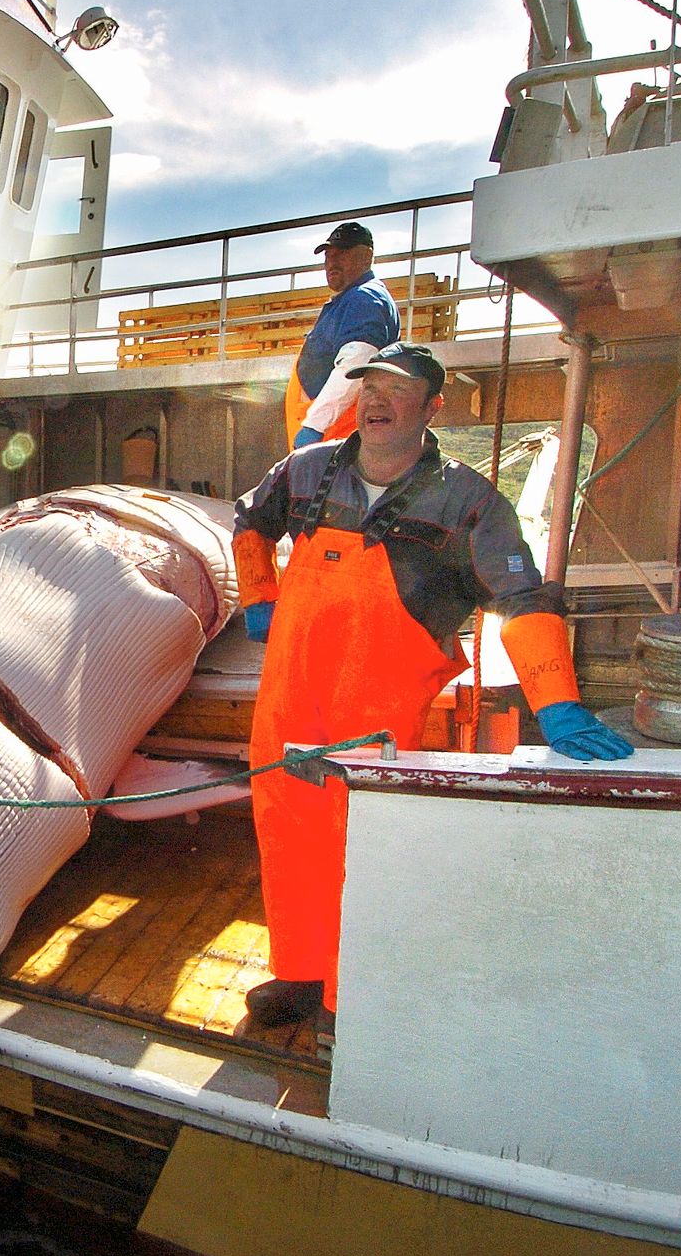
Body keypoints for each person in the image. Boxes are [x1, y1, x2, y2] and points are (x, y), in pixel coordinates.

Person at [233, 342, 631, 1033]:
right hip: (289, 699)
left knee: (367, 846)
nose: (377, 398)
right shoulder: (304, 472)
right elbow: (250, 519)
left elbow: (523, 596)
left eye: (397, 386)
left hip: (379, 716)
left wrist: (557, 703)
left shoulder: (469, 502)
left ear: (433, 406)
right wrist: (258, 592)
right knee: (286, 830)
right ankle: (298, 971)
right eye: (369, 385)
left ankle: (348, 996)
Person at [285, 222, 399, 450]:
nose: (332, 263)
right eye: (328, 256)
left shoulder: (364, 298)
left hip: (336, 438)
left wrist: (314, 426)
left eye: (342, 254)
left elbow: (356, 362)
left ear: (366, 257)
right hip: (330, 437)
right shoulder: (350, 300)